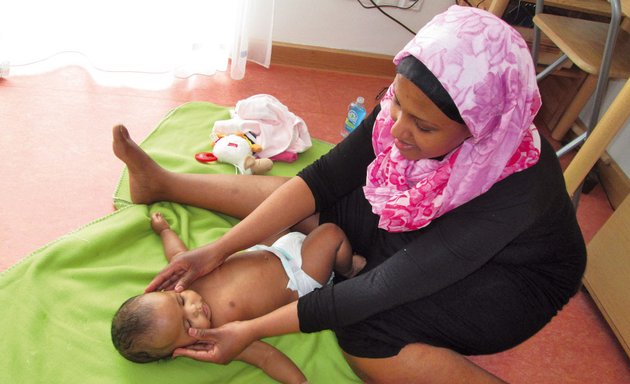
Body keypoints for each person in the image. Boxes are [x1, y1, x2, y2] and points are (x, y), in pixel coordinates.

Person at [112, 6, 586, 383]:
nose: (396, 130)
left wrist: (249, 331)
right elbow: (321, 180)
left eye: (422, 126)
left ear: (479, 130)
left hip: (507, 280)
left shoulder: (513, 190)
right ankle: (165, 184)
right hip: (425, 232)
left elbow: (383, 288)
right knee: (320, 204)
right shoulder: (406, 112)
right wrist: (218, 249)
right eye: (397, 102)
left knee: (364, 328)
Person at [111, 212, 365, 384]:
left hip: (272, 248)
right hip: (300, 277)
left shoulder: (185, 282)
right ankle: (347, 269)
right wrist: (299, 382)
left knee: (275, 213)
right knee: (331, 234)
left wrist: (165, 230)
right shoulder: (220, 336)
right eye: (188, 324)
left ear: (166, 292)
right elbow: (266, 357)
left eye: (181, 302)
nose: (195, 308)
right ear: (181, 349)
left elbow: (178, 256)